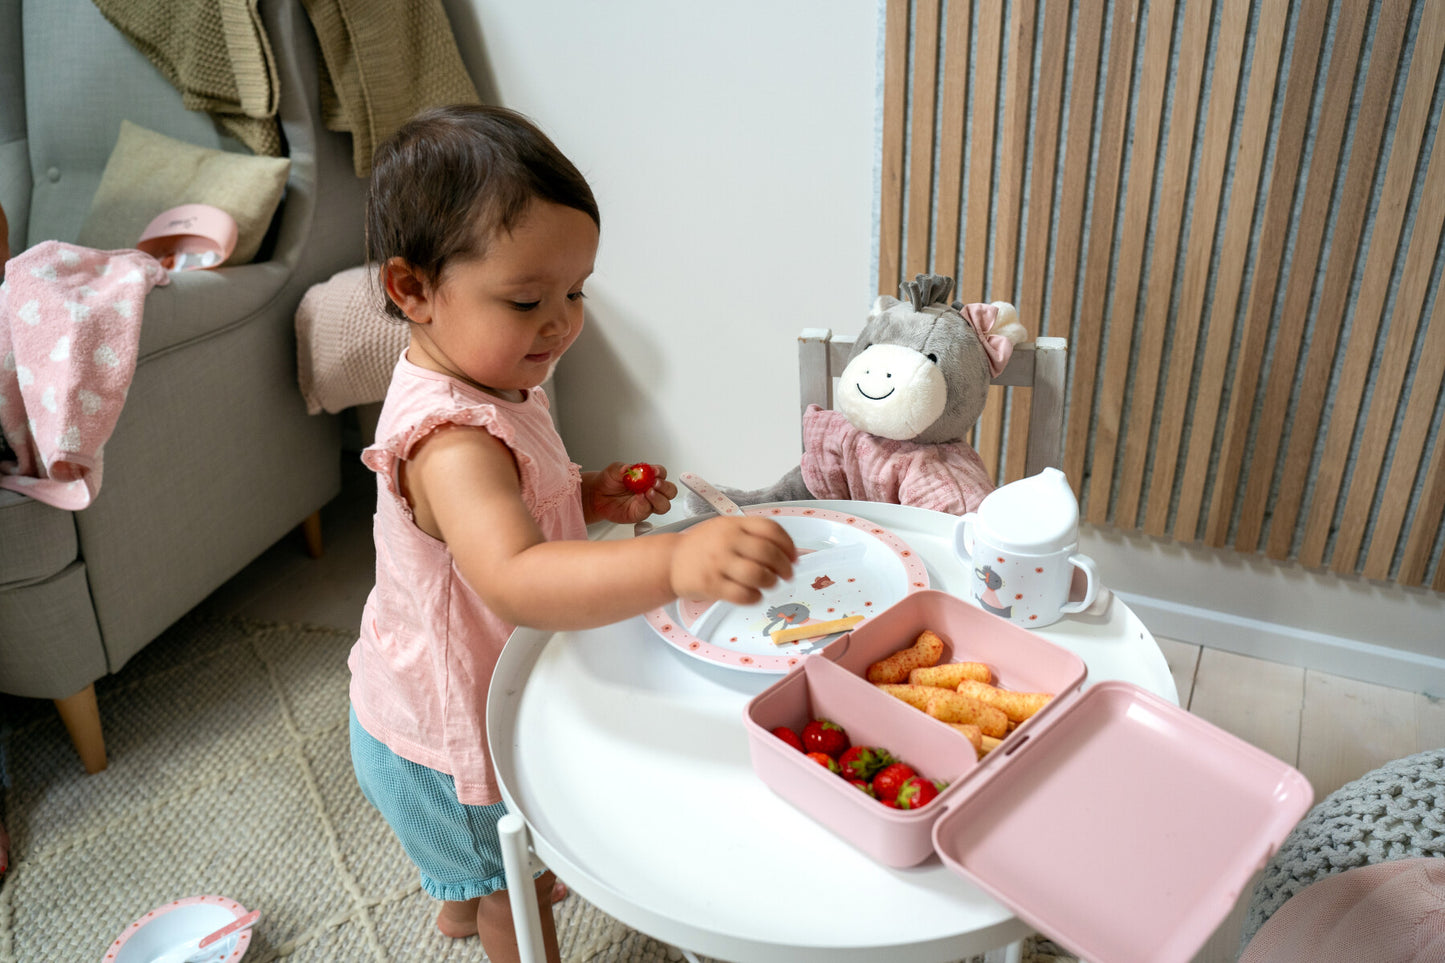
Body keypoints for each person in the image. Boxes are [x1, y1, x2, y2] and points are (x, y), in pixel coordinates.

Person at [348, 104, 797, 963]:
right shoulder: (448, 442)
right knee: (515, 884)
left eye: (576, 292)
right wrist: (674, 557)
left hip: (466, 684)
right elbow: (512, 573)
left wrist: (587, 494)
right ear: (412, 291)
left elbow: (515, 508)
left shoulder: (500, 379)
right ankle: (474, 903)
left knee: (481, 867)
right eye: (526, 299)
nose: (559, 323)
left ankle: (455, 889)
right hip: (446, 738)